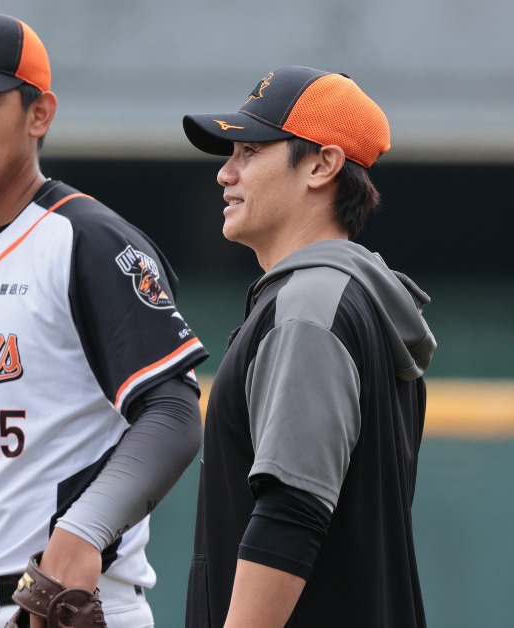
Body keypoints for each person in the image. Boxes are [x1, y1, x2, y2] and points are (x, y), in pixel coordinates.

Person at [0, 10, 209, 628]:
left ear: (38, 113)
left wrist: (84, 529)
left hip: (62, 608)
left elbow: (174, 412)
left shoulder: (85, 239)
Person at [179, 66, 438, 627]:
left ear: (322, 165)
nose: (225, 172)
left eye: (250, 151)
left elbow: (291, 512)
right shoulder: (351, 302)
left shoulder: (311, 305)